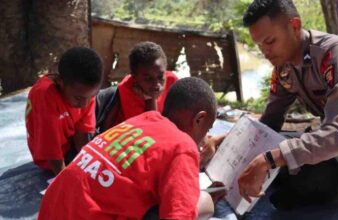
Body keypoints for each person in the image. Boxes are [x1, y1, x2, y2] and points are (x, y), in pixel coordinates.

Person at [237, 0, 338, 209]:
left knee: (317, 172)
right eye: (260, 45)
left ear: (295, 25)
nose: (265, 51)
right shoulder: (284, 68)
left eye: (270, 41)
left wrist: (271, 159)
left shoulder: (336, 55)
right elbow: (269, 123)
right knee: (275, 151)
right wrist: (226, 142)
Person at [38, 77, 224, 220]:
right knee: (204, 203)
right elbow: (178, 215)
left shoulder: (143, 120)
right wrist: (199, 199)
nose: (204, 138)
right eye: (207, 129)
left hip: (51, 211)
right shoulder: (183, 145)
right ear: (199, 119)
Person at [25, 47, 103, 175]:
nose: (85, 104)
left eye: (91, 96)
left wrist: (89, 166)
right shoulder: (44, 95)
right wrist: (64, 180)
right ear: (60, 82)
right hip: (51, 160)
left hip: (70, 146)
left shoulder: (84, 94)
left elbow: (82, 135)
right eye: (79, 98)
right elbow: (51, 149)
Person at [94, 41, 178, 134]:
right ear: (134, 77)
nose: (156, 84)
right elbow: (151, 130)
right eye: (148, 79)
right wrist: (150, 99)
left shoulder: (172, 81)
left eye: (160, 76)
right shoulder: (127, 89)